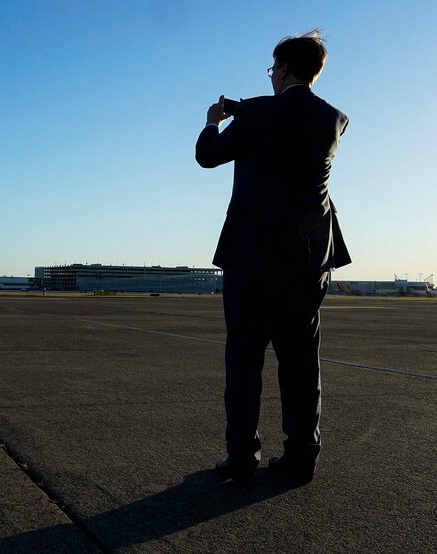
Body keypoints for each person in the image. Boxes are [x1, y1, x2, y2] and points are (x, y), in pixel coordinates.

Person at [195, 30, 351, 483]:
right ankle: (303, 456)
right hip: (307, 259)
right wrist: (245, 107)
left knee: (244, 361)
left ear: (281, 69)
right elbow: (288, 114)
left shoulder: (261, 114)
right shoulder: (335, 119)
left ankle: (242, 456)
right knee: (302, 363)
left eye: (272, 69)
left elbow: (209, 156)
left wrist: (214, 120)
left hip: (252, 258)